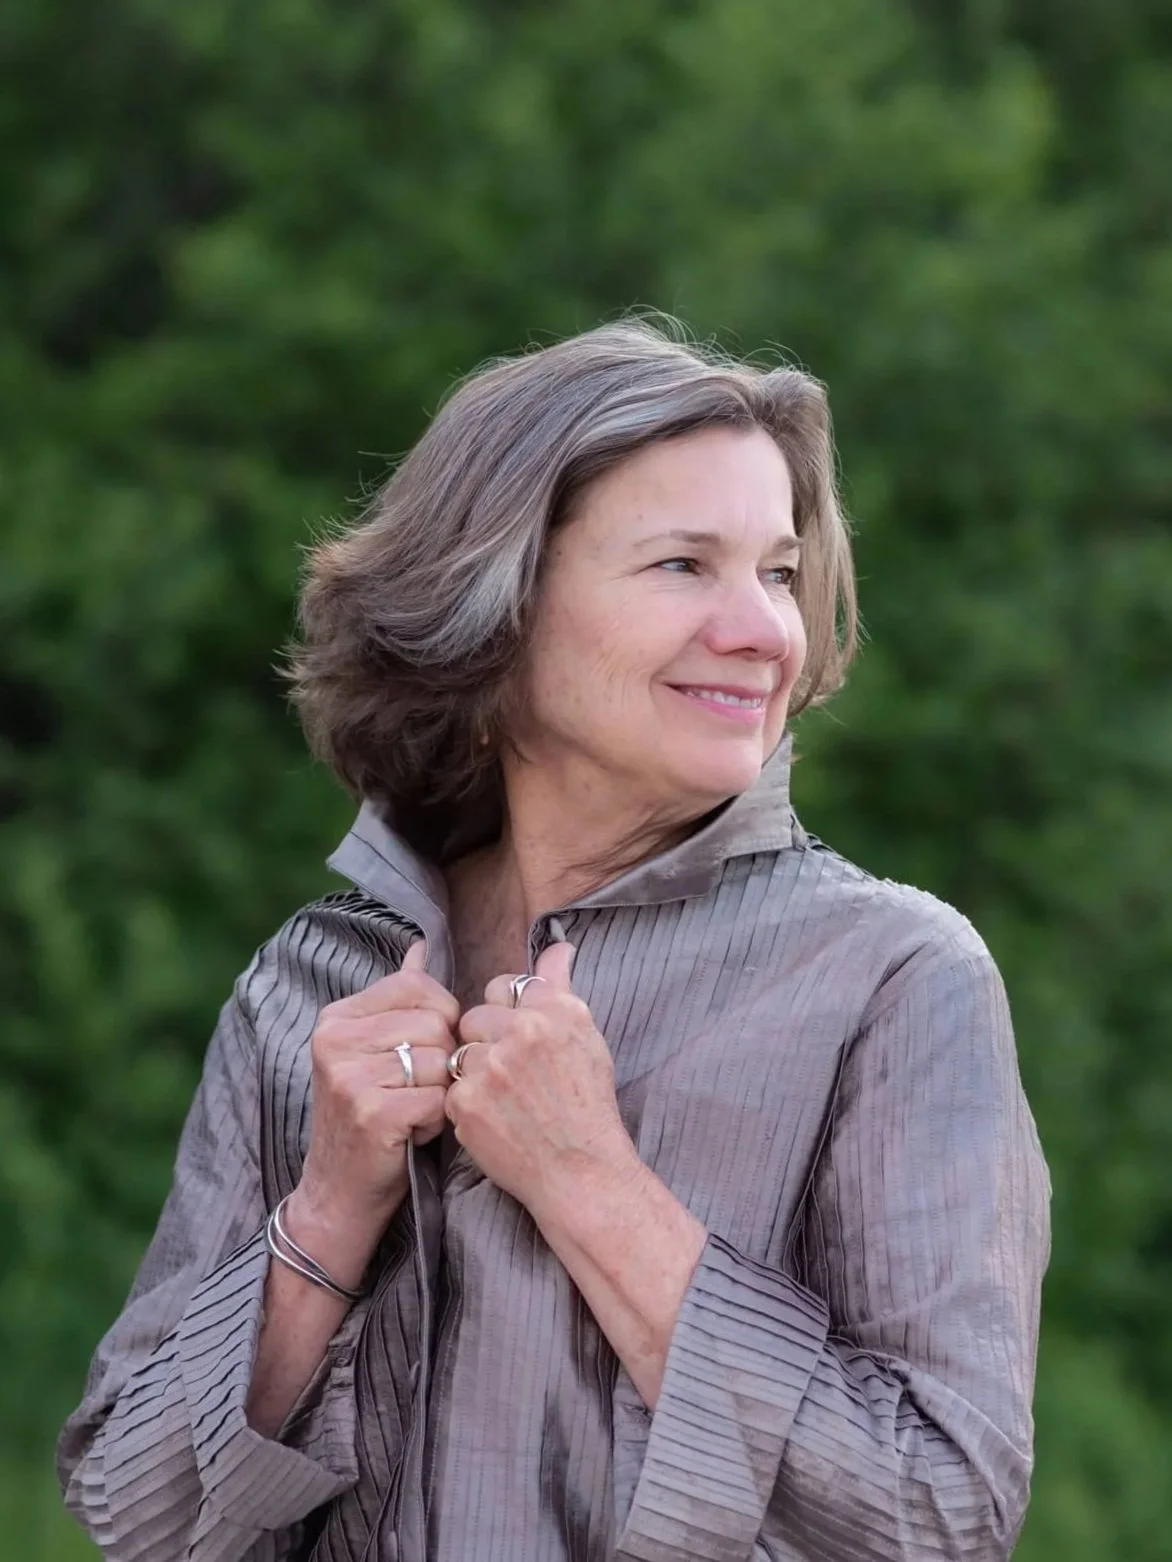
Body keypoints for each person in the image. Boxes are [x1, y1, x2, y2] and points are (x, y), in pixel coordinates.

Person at [57, 317, 1050, 1562]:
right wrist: (323, 1214)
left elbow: (936, 1517)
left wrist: (593, 1184)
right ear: (498, 605)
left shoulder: (892, 978)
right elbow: (137, 1517)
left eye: (778, 572)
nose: (761, 629)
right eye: (683, 564)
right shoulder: (308, 984)